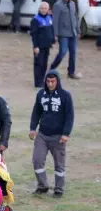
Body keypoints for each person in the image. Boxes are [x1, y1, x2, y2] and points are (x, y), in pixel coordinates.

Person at [29, 70, 74, 198]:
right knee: (37, 160)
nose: (50, 84)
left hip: (58, 136)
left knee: (59, 164)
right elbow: (36, 112)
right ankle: (42, 186)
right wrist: (33, 128)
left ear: (57, 81)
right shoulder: (41, 94)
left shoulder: (65, 96)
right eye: (48, 81)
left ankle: (59, 189)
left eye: (53, 81)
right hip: (42, 134)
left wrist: (66, 133)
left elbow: (69, 116)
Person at [49, 0, 82, 80]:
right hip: (63, 33)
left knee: (73, 53)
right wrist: (55, 34)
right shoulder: (57, 5)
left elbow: (76, 18)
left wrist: (78, 30)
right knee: (62, 52)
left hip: (73, 33)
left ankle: (71, 72)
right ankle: (52, 68)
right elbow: (55, 21)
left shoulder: (72, 4)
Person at [30, 2, 55, 88]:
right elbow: (34, 34)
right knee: (38, 64)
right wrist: (35, 46)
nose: (44, 10)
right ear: (39, 9)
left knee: (44, 64)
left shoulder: (49, 18)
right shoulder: (35, 20)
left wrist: (53, 40)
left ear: (48, 9)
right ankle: (37, 83)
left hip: (47, 46)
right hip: (39, 47)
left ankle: (42, 80)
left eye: (45, 8)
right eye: (42, 8)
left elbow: (51, 30)